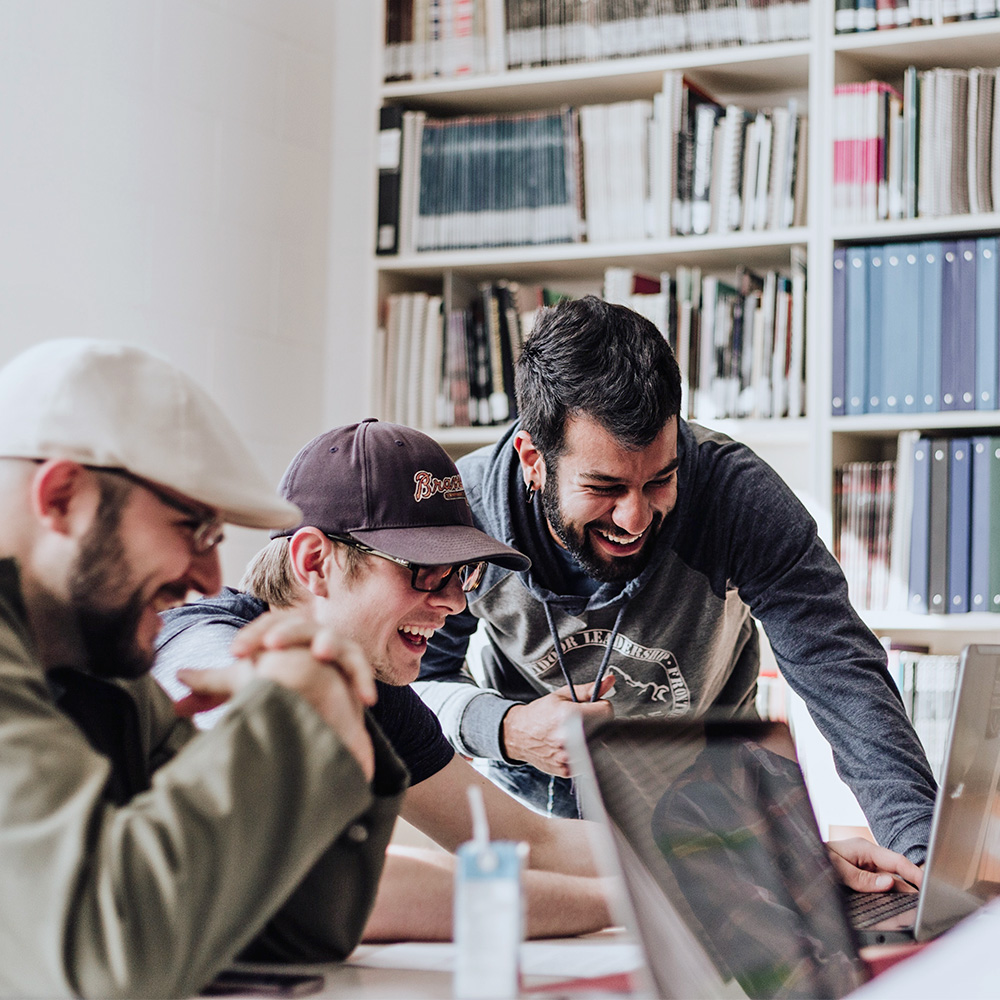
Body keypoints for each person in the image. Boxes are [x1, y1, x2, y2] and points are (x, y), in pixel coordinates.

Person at [414, 294, 939, 868]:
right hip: (533, 826)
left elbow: (844, 678)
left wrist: (921, 859)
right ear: (533, 459)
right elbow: (413, 682)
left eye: (660, 480)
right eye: (605, 488)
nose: (634, 518)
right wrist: (506, 727)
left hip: (710, 814)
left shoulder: (739, 499)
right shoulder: (467, 519)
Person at [0, 340, 408, 1000]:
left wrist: (331, 721)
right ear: (62, 497)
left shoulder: (108, 676)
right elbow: (110, 957)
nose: (211, 578)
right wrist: (293, 716)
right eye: (193, 528)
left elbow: (289, 933)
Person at [154, 419, 613, 941]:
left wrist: (691, 864)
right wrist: (628, 903)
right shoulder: (205, 651)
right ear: (314, 562)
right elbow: (324, 883)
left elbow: (526, 841)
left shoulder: (370, 686)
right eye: (424, 569)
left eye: (461, 574)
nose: (456, 603)